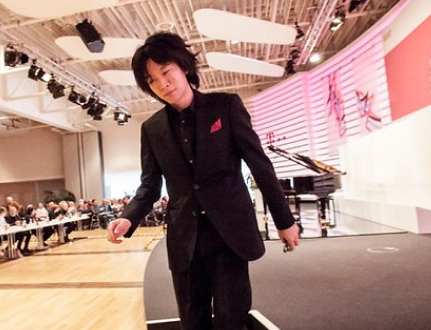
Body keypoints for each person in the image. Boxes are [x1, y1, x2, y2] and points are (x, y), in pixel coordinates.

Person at [107, 32, 300, 330]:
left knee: (230, 320)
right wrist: (128, 218)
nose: (163, 83)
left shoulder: (226, 107)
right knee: (192, 322)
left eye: (166, 72)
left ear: (183, 67)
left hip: (229, 237)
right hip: (185, 241)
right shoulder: (152, 129)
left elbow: (259, 165)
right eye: (152, 80)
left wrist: (284, 220)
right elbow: (149, 186)